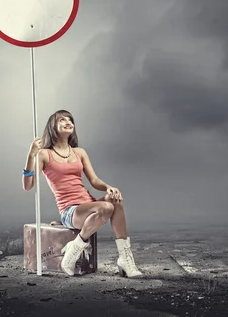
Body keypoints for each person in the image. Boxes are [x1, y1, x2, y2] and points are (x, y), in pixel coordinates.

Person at [21, 109, 142, 278]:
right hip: (70, 211)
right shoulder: (44, 154)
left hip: (90, 205)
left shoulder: (80, 152)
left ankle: (125, 259)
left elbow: (94, 181)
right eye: (62, 120)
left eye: (70, 119)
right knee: (106, 207)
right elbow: (28, 185)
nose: (68, 122)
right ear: (52, 127)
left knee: (115, 200)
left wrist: (108, 187)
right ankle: (74, 251)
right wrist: (30, 154)